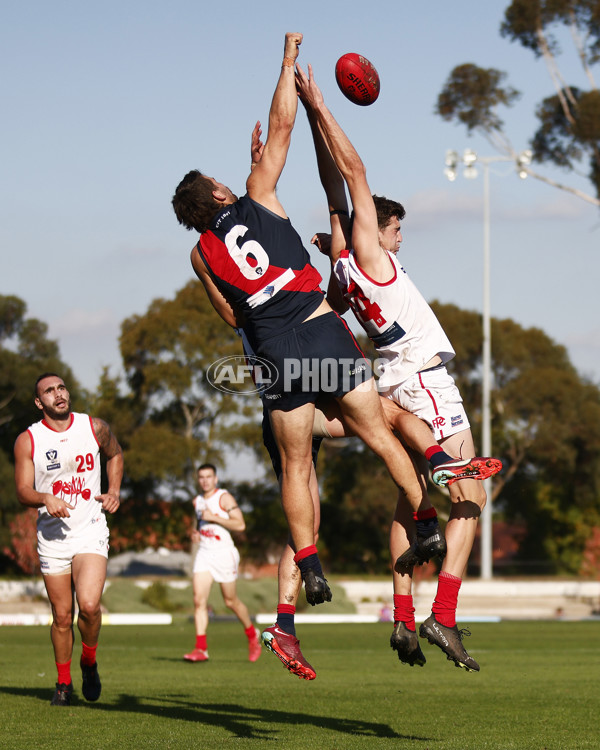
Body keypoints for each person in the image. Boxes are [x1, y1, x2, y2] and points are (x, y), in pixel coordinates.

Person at [171, 32, 442, 626]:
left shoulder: (198, 255)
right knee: (378, 434)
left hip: (272, 345)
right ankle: (426, 526)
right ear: (219, 190)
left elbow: (227, 312)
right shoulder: (257, 195)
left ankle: (311, 563)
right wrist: (288, 61)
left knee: (297, 466)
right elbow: (282, 126)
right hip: (318, 326)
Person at [296, 61, 503, 672]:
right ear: (374, 230)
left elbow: (332, 187)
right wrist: (325, 108)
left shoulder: (338, 264)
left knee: (406, 504)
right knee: (471, 500)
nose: (399, 238)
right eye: (395, 229)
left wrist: (312, 115)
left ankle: (404, 620)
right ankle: (444, 613)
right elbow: (352, 174)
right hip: (422, 375)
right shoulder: (368, 251)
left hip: (388, 373)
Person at [13, 373, 123, 705]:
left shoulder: (94, 427)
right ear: (38, 402)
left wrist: (114, 490)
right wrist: (45, 498)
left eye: (61, 388)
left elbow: (115, 455)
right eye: (49, 391)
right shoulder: (28, 440)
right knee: (62, 616)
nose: (58, 394)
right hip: (53, 538)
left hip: (90, 529)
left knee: (88, 607)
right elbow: (22, 491)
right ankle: (63, 683)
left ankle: (88, 661)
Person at [183, 463, 261, 663]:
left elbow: (240, 524)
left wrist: (215, 518)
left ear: (215, 479)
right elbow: (199, 523)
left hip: (224, 554)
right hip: (204, 553)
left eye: (209, 476)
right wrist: (196, 534)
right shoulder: (197, 501)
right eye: (201, 477)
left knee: (230, 601)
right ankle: (201, 649)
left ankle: (252, 635)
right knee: (198, 600)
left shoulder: (224, 498)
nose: (205, 480)